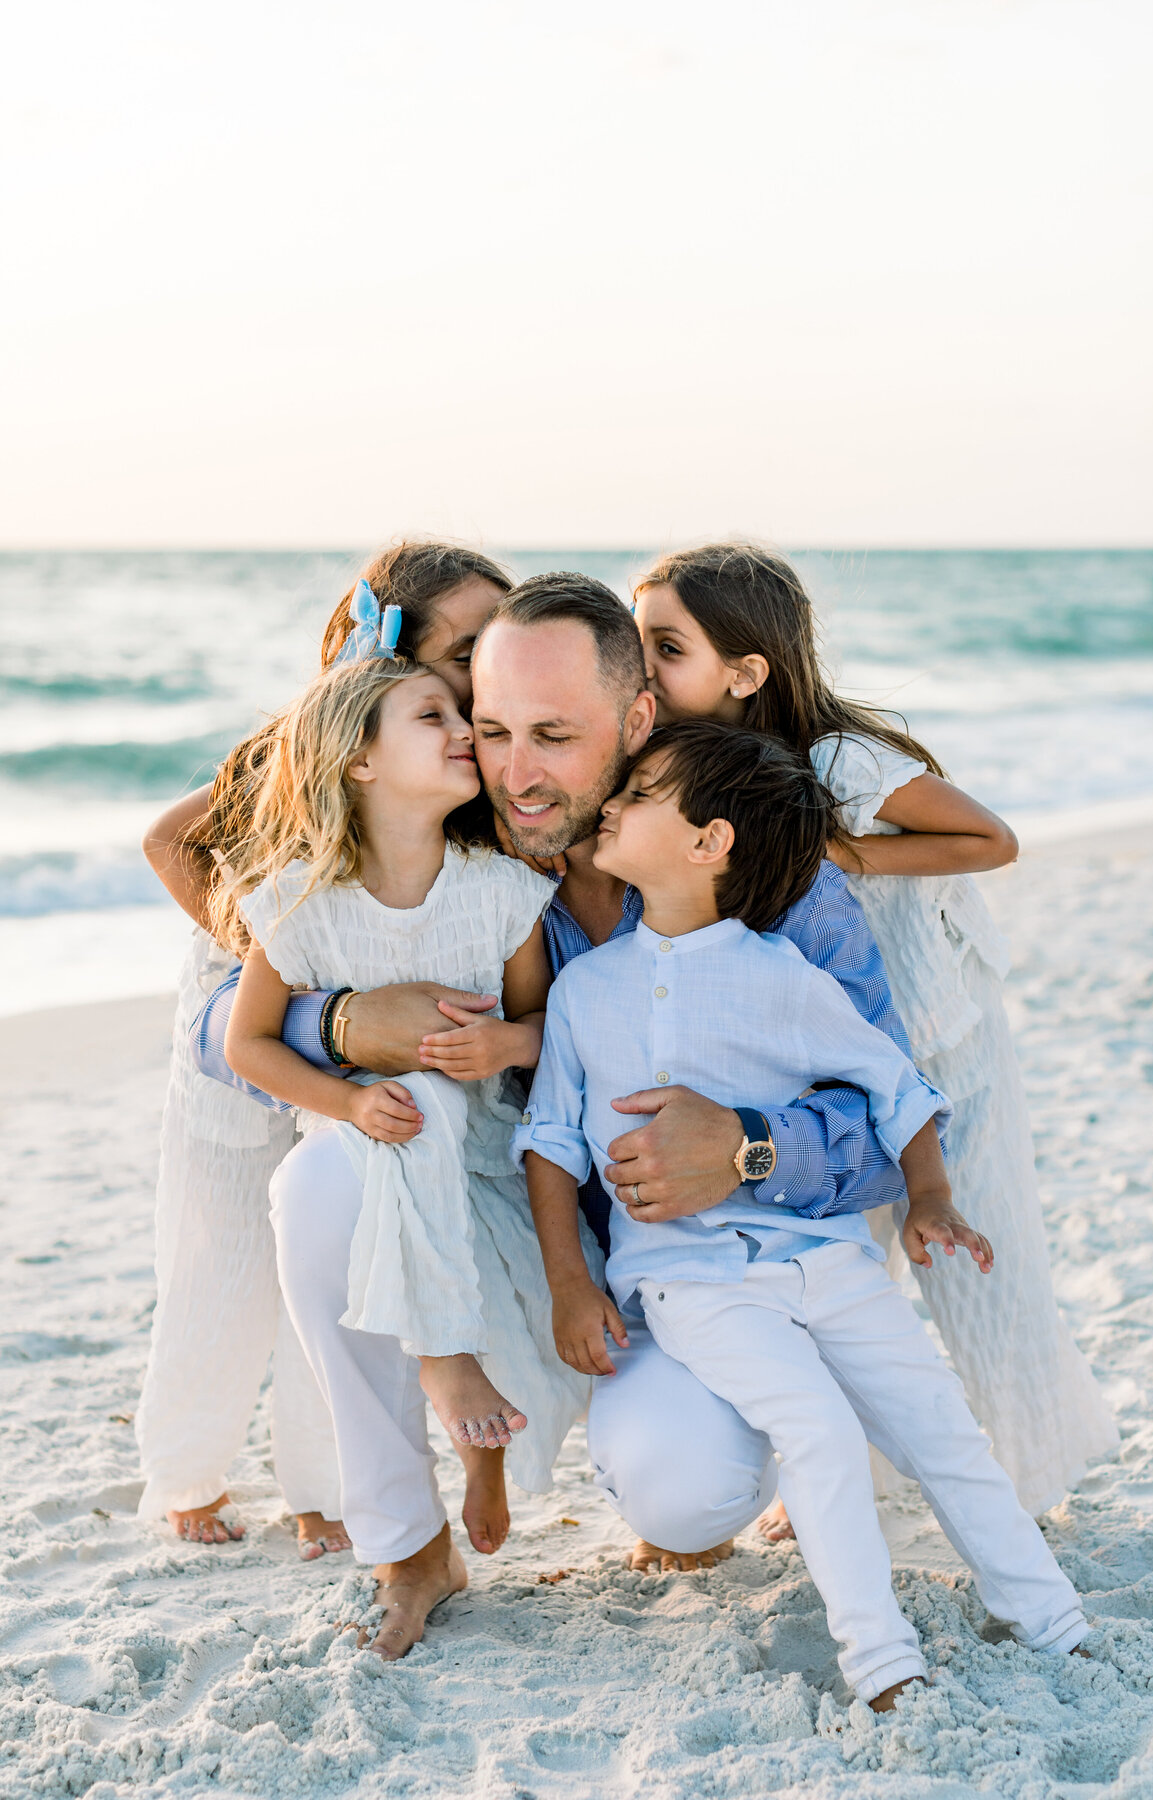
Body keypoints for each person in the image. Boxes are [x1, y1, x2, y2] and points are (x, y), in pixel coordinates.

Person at [203, 572, 937, 1588]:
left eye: (554, 736)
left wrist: (746, 1147)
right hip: (513, 1233)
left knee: (685, 1495)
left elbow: (884, 1116)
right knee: (322, 1184)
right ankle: (408, 1545)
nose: (516, 773)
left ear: (638, 717)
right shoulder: (455, 843)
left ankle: (764, 1425)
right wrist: (340, 1021)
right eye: (493, 730)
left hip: (698, 1262)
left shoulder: (759, 867)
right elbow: (221, 1032)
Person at [516, 719, 1090, 1712]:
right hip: (689, 1278)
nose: (610, 803)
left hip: (827, 1261)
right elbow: (551, 1142)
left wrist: (931, 1197)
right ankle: (881, 1663)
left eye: (641, 792)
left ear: (710, 843)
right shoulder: (583, 990)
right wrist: (571, 1280)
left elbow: (892, 1081)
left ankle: (1053, 1622)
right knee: (818, 1429)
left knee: (941, 1428)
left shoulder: (780, 973)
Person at [632, 543, 1119, 1519]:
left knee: (979, 1270)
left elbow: (993, 839)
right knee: (842, 1273)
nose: (641, 665)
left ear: (746, 671)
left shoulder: (836, 762)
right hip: (833, 1060)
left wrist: (838, 846)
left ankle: (1030, 1482)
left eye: (665, 645)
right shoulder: (696, 769)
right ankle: (852, 1476)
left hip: (944, 1049)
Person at [137, 540, 511, 1552]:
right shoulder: (313, 736)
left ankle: (322, 1489)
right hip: (244, 1012)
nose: (491, 663)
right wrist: (264, 947)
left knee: (327, 1252)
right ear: (398, 650)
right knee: (219, 1252)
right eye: (470, 646)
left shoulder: (459, 748)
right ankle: (187, 1472)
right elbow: (171, 840)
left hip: (348, 1019)